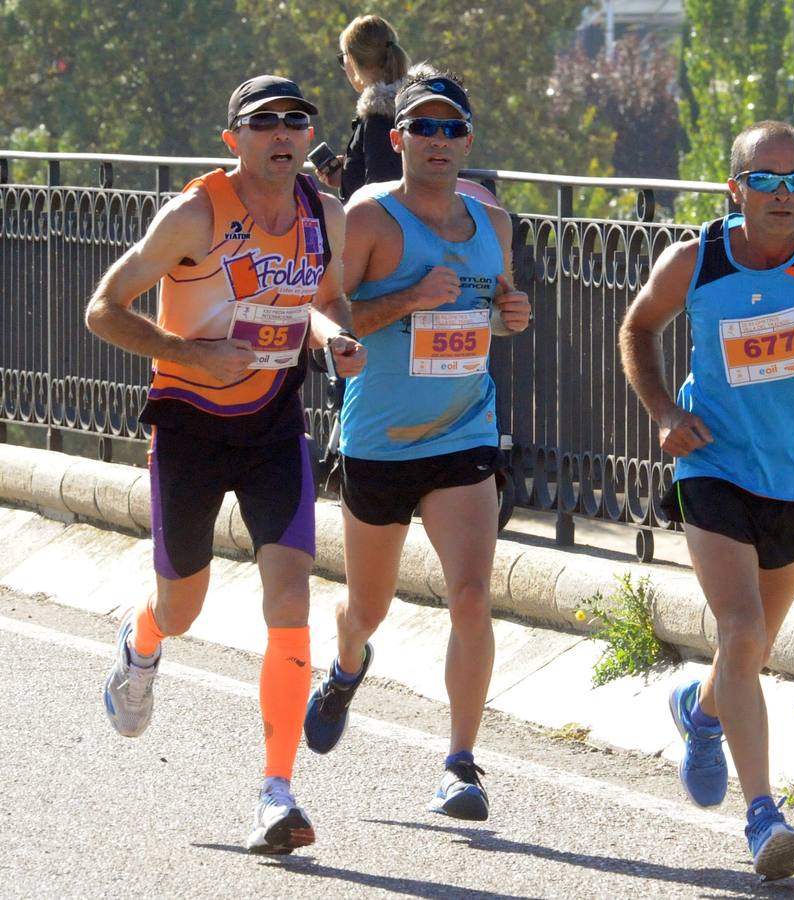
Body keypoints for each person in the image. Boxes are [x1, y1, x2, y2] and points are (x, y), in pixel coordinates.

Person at [85, 75, 366, 855]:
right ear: (232, 138)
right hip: (189, 425)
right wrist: (188, 353)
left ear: (310, 136)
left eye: (296, 120)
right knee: (184, 607)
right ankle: (141, 645)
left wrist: (330, 338)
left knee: (290, 594)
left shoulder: (325, 214)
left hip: (275, 421)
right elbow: (103, 309)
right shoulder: (195, 214)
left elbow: (329, 296)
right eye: (264, 121)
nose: (283, 132)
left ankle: (276, 792)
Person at [619, 121, 794, 880]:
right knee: (738, 628)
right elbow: (638, 326)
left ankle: (700, 713)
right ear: (733, 188)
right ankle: (763, 815)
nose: (784, 195)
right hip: (711, 465)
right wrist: (666, 417)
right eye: (766, 181)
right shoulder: (695, 259)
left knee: (749, 648)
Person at [303, 66, 530, 822]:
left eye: (451, 128)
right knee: (366, 609)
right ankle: (342, 668)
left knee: (470, 596)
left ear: (468, 140)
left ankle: (460, 764)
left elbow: (493, 310)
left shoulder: (492, 221)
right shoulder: (370, 216)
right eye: (423, 128)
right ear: (396, 138)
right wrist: (406, 297)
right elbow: (328, 313)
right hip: (378, 439)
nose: (438, 141)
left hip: (463, 430)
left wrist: (510, 313)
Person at [330, 14, 411, 202]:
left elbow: (379, 192)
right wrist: (348, 174)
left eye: (343, 59)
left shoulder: (378, 117)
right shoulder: (412, 105)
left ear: (351, 58)